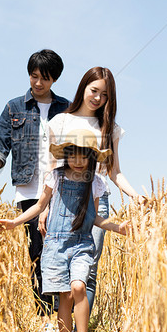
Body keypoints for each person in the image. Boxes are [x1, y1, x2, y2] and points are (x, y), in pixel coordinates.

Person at [0, 129, 130, 332]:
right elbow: (40, 206)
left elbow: (95, 218)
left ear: (91, 157)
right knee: (63, 296)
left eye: (82, 156)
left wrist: (118, 227)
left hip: (81, 243)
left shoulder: (96, 182)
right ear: (65, 155)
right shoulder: (54, 177)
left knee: (78, 286)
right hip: (55, 245)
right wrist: (14, 222)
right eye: (72, 156)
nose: (77, 161)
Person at [0, 49, 69, 332]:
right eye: (34, 76)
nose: (38, 83)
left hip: (60, 187)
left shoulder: (66, 108)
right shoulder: (14, 107)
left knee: (60, 250)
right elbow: (0, 145)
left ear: (54, 79)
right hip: (29, 188)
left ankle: (62, 316)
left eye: (45, 78)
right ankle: (45, 318)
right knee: (37, 251)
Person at [44, 67, 146, 317]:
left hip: (96, 199)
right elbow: (49, 168)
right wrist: (44, 208)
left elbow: (114, 172)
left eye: (105, 94)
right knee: (61, 272)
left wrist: (135, 195)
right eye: (94, 90)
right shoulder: (60, 121)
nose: (98, 98)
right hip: (61, 201)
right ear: (83, 88)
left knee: (87, 269)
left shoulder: (109, 127)